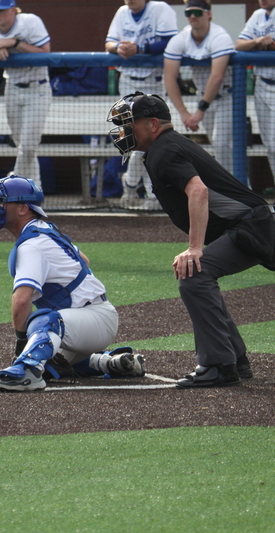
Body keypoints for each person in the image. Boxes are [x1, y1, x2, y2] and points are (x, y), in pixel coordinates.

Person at [107, 92, 268, 388]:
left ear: (153, 124)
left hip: (253, 228)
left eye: (130, 124)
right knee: (198, 276)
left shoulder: (164, 150)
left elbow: (199, 191)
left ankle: (219, 365)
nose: (124, 131)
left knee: (195, 275)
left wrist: (195, 249)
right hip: (252, 225)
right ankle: (233, 357)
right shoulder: (165, 146)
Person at [0, 176, 146, 392]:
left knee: (43, 322)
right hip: (86, 321)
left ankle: (28, 374)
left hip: (91, 320)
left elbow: (21, 301)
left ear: (22, 209)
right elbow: (84, 260)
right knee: (51, 363)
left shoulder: (32, 244)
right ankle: (109, 363)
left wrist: (21, 343)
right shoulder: (44, 229)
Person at [106, 0, 177, 210]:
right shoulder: (121, 12)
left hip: (153, 82)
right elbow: (108, 43)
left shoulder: (160, 9)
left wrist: (141, 48)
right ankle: (138, 187)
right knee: (134, 140)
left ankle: (137, 186)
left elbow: (171, 41)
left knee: (152, 139)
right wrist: (118, 47)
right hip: (127, 80)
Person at [0, 0, 50, 191]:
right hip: (12, 87)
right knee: (23, 146)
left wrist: (15, 43)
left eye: (1, 10)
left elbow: (45, 53)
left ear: (13, 10)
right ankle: (36, 192)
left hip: (37, 87)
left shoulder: (30, 22)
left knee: (28, 146)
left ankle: (13, 183)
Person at [164, 0, 234, 172]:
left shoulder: (219, 36)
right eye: (189, 13)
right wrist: (183, 112)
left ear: (208, 14)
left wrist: (200, 110)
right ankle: (238, 190)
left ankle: (240, 192)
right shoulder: (181, 38)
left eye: (197, 12)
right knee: (218, 145)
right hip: (202, 96)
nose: (193, 17)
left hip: (227, 96)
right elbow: (169, 77)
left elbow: (217, 76)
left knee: (222, 143)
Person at [236, 0, 275, 190]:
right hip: (263, 84)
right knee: (271, 145)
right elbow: (239, 45)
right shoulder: (259, 15)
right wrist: (257, 42)